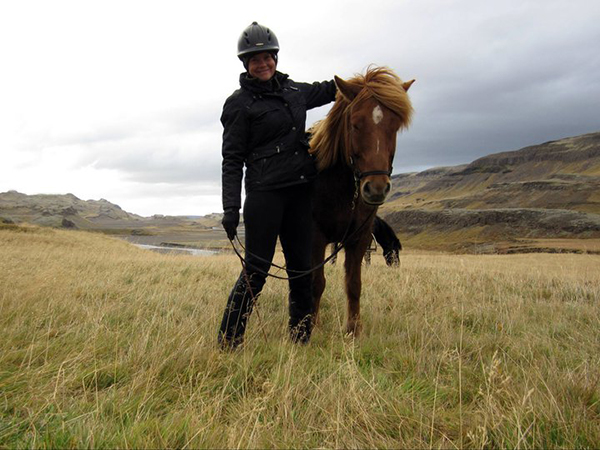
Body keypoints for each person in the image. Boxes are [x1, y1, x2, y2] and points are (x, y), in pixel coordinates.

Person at [218, 22, 337, 349]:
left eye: (267, 57)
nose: (262, 64)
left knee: (302, 269)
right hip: (264, 196)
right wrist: (231, 208)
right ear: (246, 64)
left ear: (275, 58)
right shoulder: (239, 104)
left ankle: (300, 339)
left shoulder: (296, 92)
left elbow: (331, 89)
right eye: (254, 59)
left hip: (300, 194)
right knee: (257, 269)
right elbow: (232, 159)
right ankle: (229, 339)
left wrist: (369, 82)